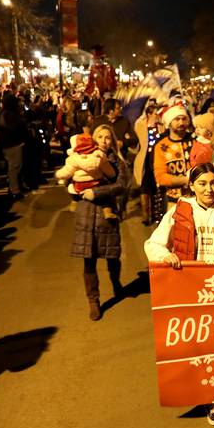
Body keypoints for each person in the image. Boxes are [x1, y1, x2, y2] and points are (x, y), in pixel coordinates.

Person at [144, 162, 214, 426]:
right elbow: (154, 244)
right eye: (202, 183)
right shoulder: (178, 212)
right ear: (192, 185)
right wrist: (165, 256)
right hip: (189, 290)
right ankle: (204, 394)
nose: (209, 188)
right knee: (198, 347)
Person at [71, 125, 128, 321]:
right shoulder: (83, 159)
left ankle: (116, 282)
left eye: (108, 137)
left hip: (107, 214)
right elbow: (72, 178)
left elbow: (121, 185)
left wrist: (97, 192)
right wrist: (72, 189)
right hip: (86, 213)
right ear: (94, 140)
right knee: (89, 259)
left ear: (112, 140)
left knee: (112, 254)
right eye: (100, 137)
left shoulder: (117, 161)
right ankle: (93, 301)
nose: (104, 141)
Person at [56, 133, 118, 220]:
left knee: (72, 188)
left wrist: (58, 174)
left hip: (79, 186)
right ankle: (107, 212)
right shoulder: (99, 155)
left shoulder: (74, 158)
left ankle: (74, 202)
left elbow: (67, 172)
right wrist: (112, 175)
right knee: (105, 199)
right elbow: (108, 170)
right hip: (96, 184)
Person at [153, 103, 193, 216]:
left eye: (184, 119)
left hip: (198, 199)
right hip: (173, 202)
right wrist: (186, 180)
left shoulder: (196, 142)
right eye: (177, 119)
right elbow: (160, 177)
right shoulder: (161, 146)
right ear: (169, 122)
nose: (181, 123)